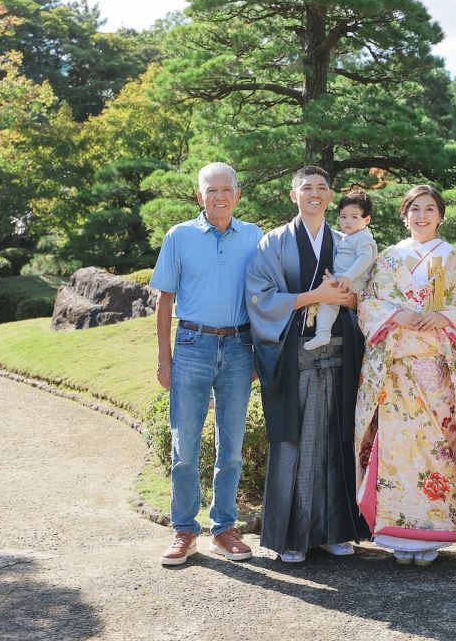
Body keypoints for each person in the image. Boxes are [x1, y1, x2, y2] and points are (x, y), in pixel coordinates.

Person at [244, 166, 369, 563]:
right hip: (293, 350)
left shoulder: (344, 240)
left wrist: (347, 300)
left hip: (338, 349)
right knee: (294, 441)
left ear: (330, 197)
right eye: (307, 188)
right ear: (293, 195)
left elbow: (365, 292)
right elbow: (260, 298)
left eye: (322, 188)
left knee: (336, 437)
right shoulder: (274, 242)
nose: (315, 194)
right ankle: (291, 537)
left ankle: (334, 530)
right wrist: (313, 295)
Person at [354, 185, 456, 566]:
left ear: (440, 216)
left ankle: (434, 531)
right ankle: (396, 531)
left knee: (436, 451)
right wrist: (397, 316)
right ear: (404, 215)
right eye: (414, 209)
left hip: (439, 372)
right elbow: (369, 301)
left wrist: (443, 317)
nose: (421, 216)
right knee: (397, 452)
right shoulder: (389, 258)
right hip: (397, 373)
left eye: (429, 209)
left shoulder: (455, 259)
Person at [151, 162, 264, 566]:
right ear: (200, 196)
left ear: (237, 194)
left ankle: (223, 528)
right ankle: (185, 529)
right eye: (211, 190)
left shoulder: (255, 237)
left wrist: (259, 355)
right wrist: (164, 359)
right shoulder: (179, 236)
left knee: (230, 447)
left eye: (226, 189)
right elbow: (164, 300)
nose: (219, 196)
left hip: (238, 347)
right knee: (185, 447)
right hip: (192, 345)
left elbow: (264, 299)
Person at [304, 190, 377, 351]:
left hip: (354, 282)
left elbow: (365, 258)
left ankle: (323, 333)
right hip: (342, 279)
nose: (347, 221)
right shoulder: (347, 237)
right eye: (343, 217)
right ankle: (323, 334)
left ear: (367, 220)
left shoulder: (364, 238)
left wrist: (348, 276)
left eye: (354, 217)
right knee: (328, 303)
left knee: (327, 300)